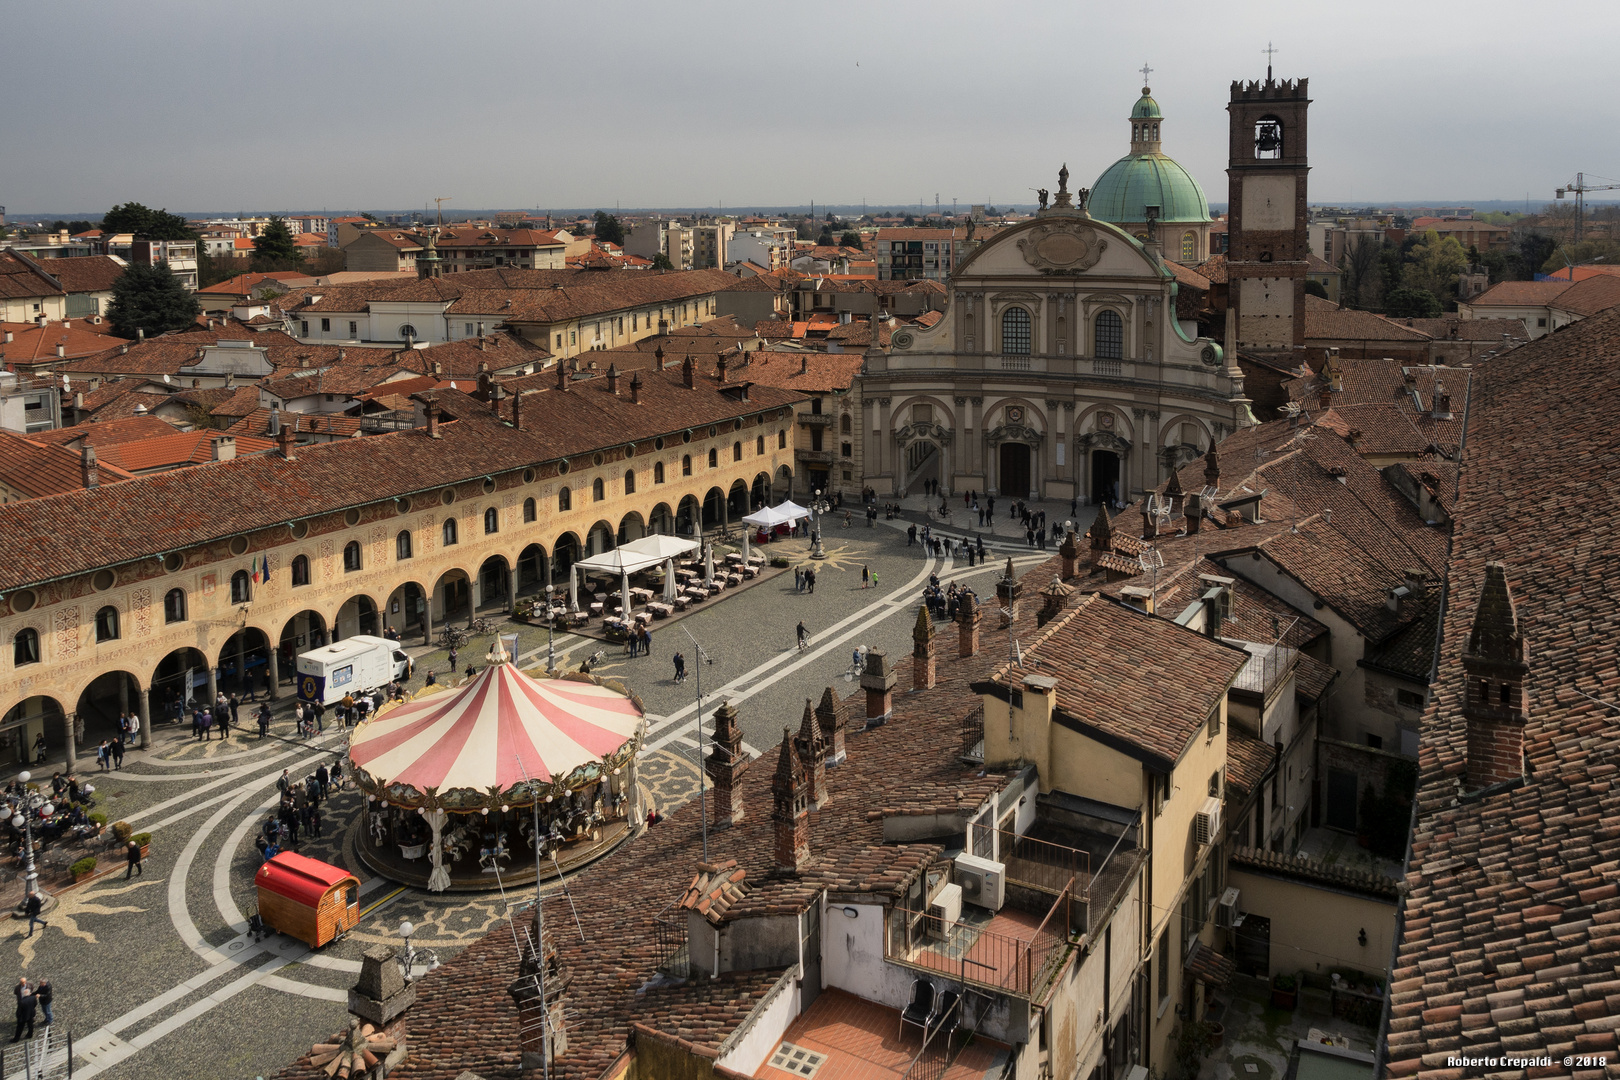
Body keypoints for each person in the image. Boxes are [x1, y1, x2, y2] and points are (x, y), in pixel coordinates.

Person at [12, 979, 34, 1043]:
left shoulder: (21, 1002)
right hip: (30, 1013)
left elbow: (19, 1011)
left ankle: (16, 1039)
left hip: (23, 1016)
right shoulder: (33, 998)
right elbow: (35, 1004)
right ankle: (30, 1035)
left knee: (20, 1028)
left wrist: (18, 1016)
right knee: (30, 1025)